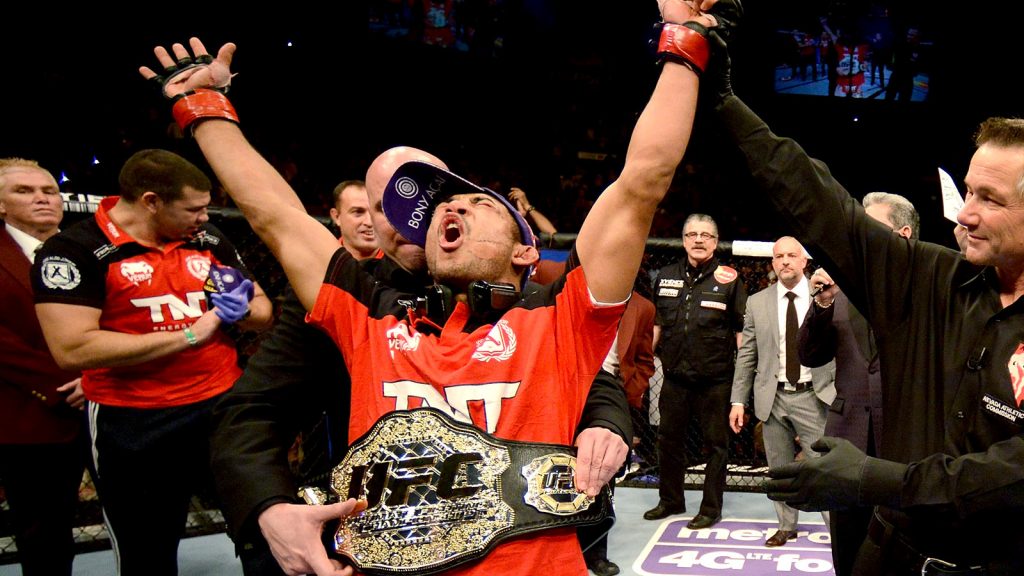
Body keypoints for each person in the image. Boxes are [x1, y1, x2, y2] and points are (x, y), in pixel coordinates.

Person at [139, 1, 720, 572]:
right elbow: (275, 216)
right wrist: (203, 106)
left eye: (476, 203)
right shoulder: (370, 318)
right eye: (446, 204)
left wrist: (684, 38)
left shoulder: (562, 319)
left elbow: (643, 179)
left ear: (525, 249)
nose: (452, 208)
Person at [211, 165, 633, 576]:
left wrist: (605, 421)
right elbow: (250, 410)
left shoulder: (537, 306)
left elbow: (590, 376)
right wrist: (270, 508)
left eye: (466, 201)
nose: (417, 217)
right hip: (360, 535)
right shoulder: (360, 307)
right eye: (383, 207)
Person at [709, 26, 1024, 573]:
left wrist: (877, 479)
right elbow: (821, 203)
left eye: (989, 199)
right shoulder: (926, 275)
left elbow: (1014, 473)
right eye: (969, 191)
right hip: (889, 558)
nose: (966, 213)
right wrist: (723, 99)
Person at [31, 149, 273, 576]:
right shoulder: (74, 250)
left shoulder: (208, 239)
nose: (204, 216)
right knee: (146, 549)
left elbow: (261, 310)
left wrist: (243, 309)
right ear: (150, 201)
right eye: (193, 209)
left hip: (220, 404)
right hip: (133, 420)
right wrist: (191, 334)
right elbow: (73, 348)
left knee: (265, 529)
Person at [797, 192, 917, 576]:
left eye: (871, 228)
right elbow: (810, 355)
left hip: (904, 447)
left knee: (899, 552)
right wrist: (821, 304)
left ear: (904, 233)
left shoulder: (930, 292)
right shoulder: (840, 288)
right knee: (846, 551)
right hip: (846, 439)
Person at [0, 158, 87, 576]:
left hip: (110, 406)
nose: (41, 198)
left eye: (49, 191)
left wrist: (95, 376)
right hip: (26, 415)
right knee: (43, 535)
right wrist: (62, 382)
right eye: (24, 191)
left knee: (135, 519)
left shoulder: (89, 250)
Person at [728, 236, 835, 547]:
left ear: (804, 261)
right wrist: (738, 400)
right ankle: (786, 525)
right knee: (778, 467)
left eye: (792, 255)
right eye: (779, 256)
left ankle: (836, 527)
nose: (785, 261)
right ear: (773, 263)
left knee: (823, 465)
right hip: (771, 395)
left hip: (813, 394)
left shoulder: (824, 296)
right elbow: (747, 354)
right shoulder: (757, 302)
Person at [646, 214, 746, 530]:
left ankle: (710, 508)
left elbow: (741, 335)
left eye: (705, 235)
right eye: (692, 234)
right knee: (667, 441)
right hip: (675, 378)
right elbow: (657, 327)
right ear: (684, 240)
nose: (698, 240)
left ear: (715, 242)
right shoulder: (665, 276)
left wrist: (743, 386)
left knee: (716, 445)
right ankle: (671, 500)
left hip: (716, 380)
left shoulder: (730, 279)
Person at [577, 291, 655, 576]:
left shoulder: (643, 308)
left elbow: (645, 359)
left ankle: (596, 552)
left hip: (610, 391)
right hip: (568, 383)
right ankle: (559, 541)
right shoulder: (570, 294)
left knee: (603, 471)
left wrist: (628, 391)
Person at [328, 179, 381, 260]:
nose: (369, 222)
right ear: (337, 217)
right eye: (358, 212)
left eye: (375, 212)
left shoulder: (402, 264)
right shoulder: (321, 260)